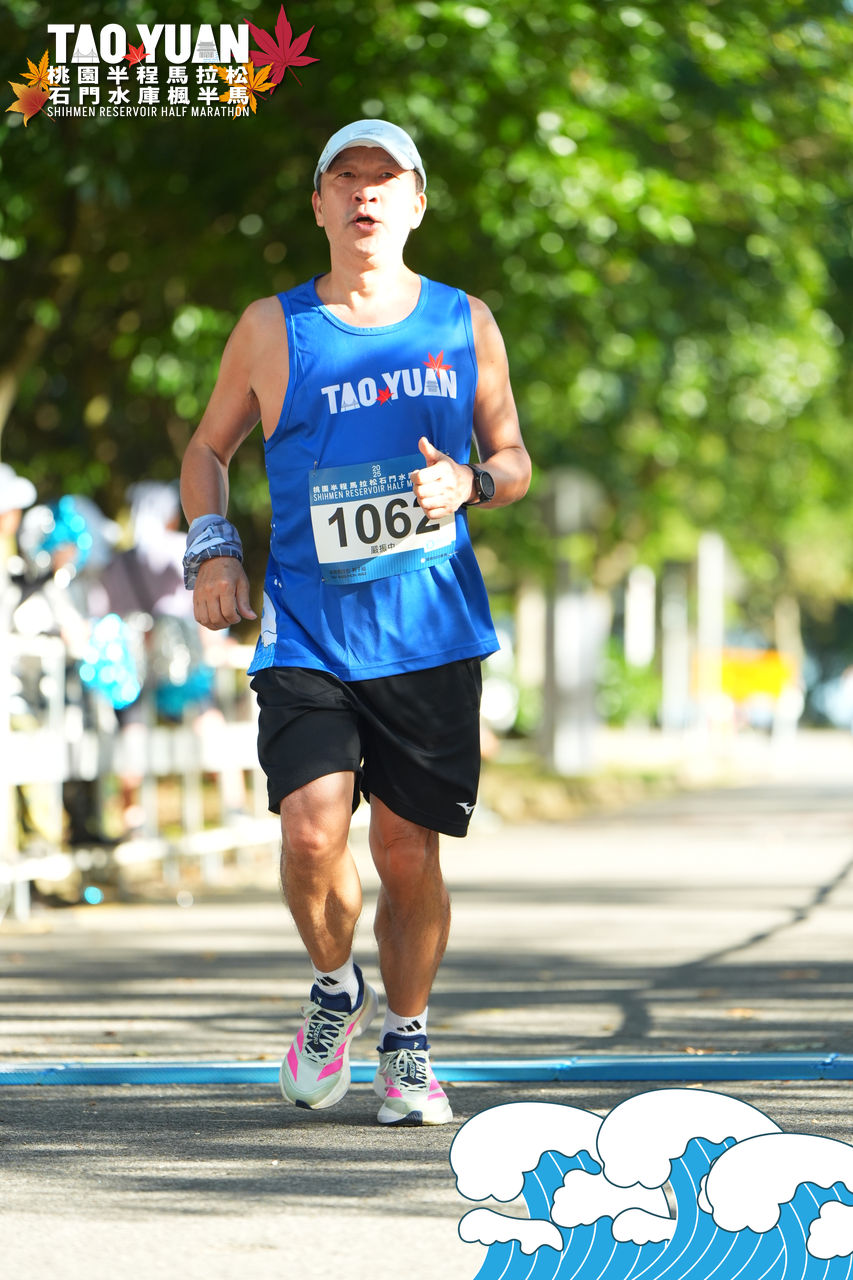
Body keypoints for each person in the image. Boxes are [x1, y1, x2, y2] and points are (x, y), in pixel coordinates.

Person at [180, 119, 531, 1126]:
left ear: (417, 202)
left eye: (386, 178)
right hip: (309, 627)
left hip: (427, 629)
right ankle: (335, 988)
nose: (365, 193)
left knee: (408, 854)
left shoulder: (464, 320)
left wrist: (470, 482)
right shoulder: (272, 325)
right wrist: (213, 548)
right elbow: (207, 450)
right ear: (319, 205)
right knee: (309, 833)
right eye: (346, 177)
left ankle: (408, 1040)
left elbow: (513, 459)